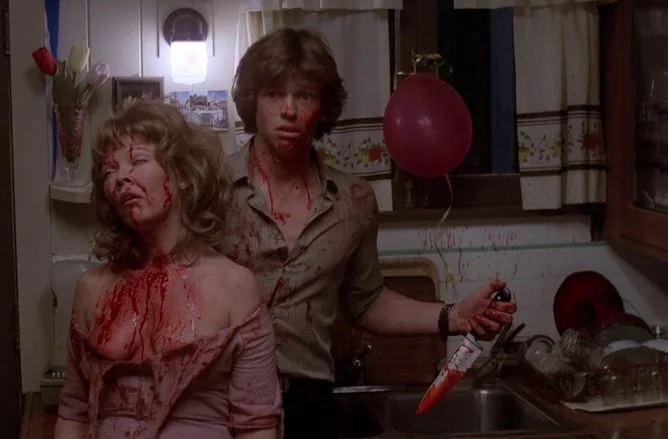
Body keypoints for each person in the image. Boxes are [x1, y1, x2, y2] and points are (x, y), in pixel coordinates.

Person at [223, 27, 518, 438]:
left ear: (323, 107)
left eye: (304, 96)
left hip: (309, 403)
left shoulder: (354, 200)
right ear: (252, 101)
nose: (288, 110)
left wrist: (453, 316)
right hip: (217, 400)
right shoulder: (210, 188)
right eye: (274, 94)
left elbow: (367, 302)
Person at [54, 101, 282, 439]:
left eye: (138, 161)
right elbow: (73, 412)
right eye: (109, 171)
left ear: (184, 176)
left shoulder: (234, 286)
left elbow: (257, 424)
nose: (121, 178)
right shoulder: (92, 288)